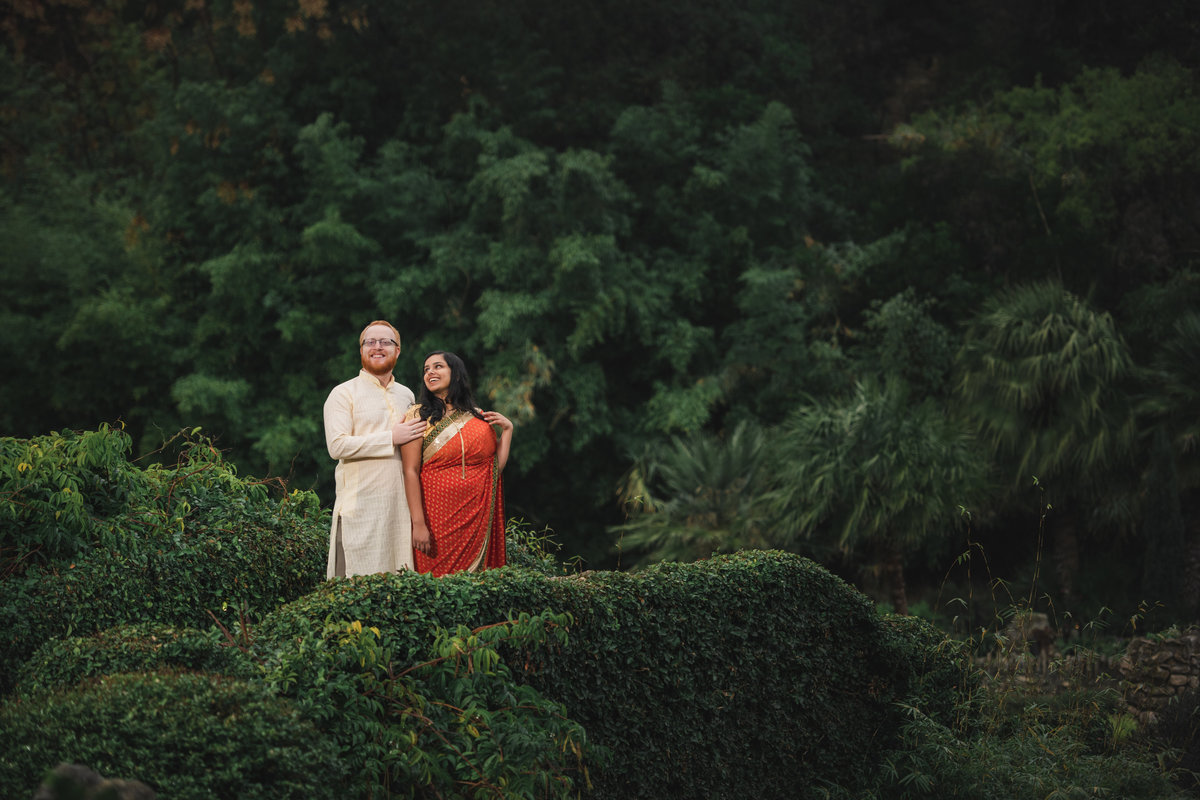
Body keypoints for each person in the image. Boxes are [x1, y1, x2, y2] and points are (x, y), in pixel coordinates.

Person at [323, 320, 427, 578]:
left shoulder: (407, 396)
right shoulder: (343, 393)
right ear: (361, 350)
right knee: (355, 586)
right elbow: (337, 446)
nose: (377, 347)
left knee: (398, 585)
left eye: (385, 342)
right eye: (370, 342)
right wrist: (390, 437)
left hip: (400, 508)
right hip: (360, 506)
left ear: (398, 350)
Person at [400, 351, 513, 575]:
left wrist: (508, 431)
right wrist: (419, 524)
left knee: (472, 590)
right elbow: (410, 471)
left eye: (438, 366)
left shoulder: (478, 417)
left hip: (475, 517)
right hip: (434, 518)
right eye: (426, 369)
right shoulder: (417, 415)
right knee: (436, 587)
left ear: (457, 374)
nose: (430, 372)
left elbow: (492, 471)